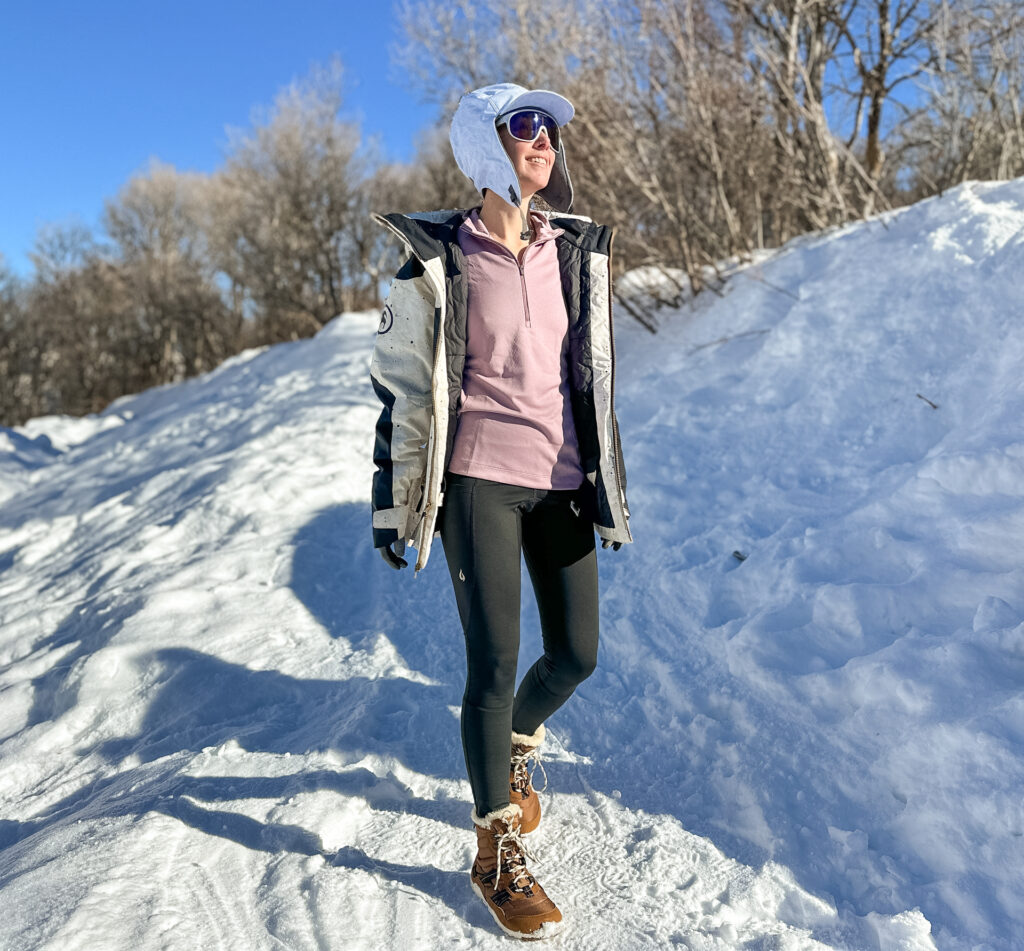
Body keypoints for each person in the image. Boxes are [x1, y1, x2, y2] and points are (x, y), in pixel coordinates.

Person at [368, 82, 632, 940]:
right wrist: (393, 495)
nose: (544, 141)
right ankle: (494, 849)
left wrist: (603, 478)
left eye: (549, 128)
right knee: (493, 660)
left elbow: (588, 378)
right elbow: (407, 387)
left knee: (577, 654)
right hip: (478, 477)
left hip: (558, 480)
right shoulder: (442, 260)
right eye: (525, 127)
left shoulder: (570, 251)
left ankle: (517, 742)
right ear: (486, 145)